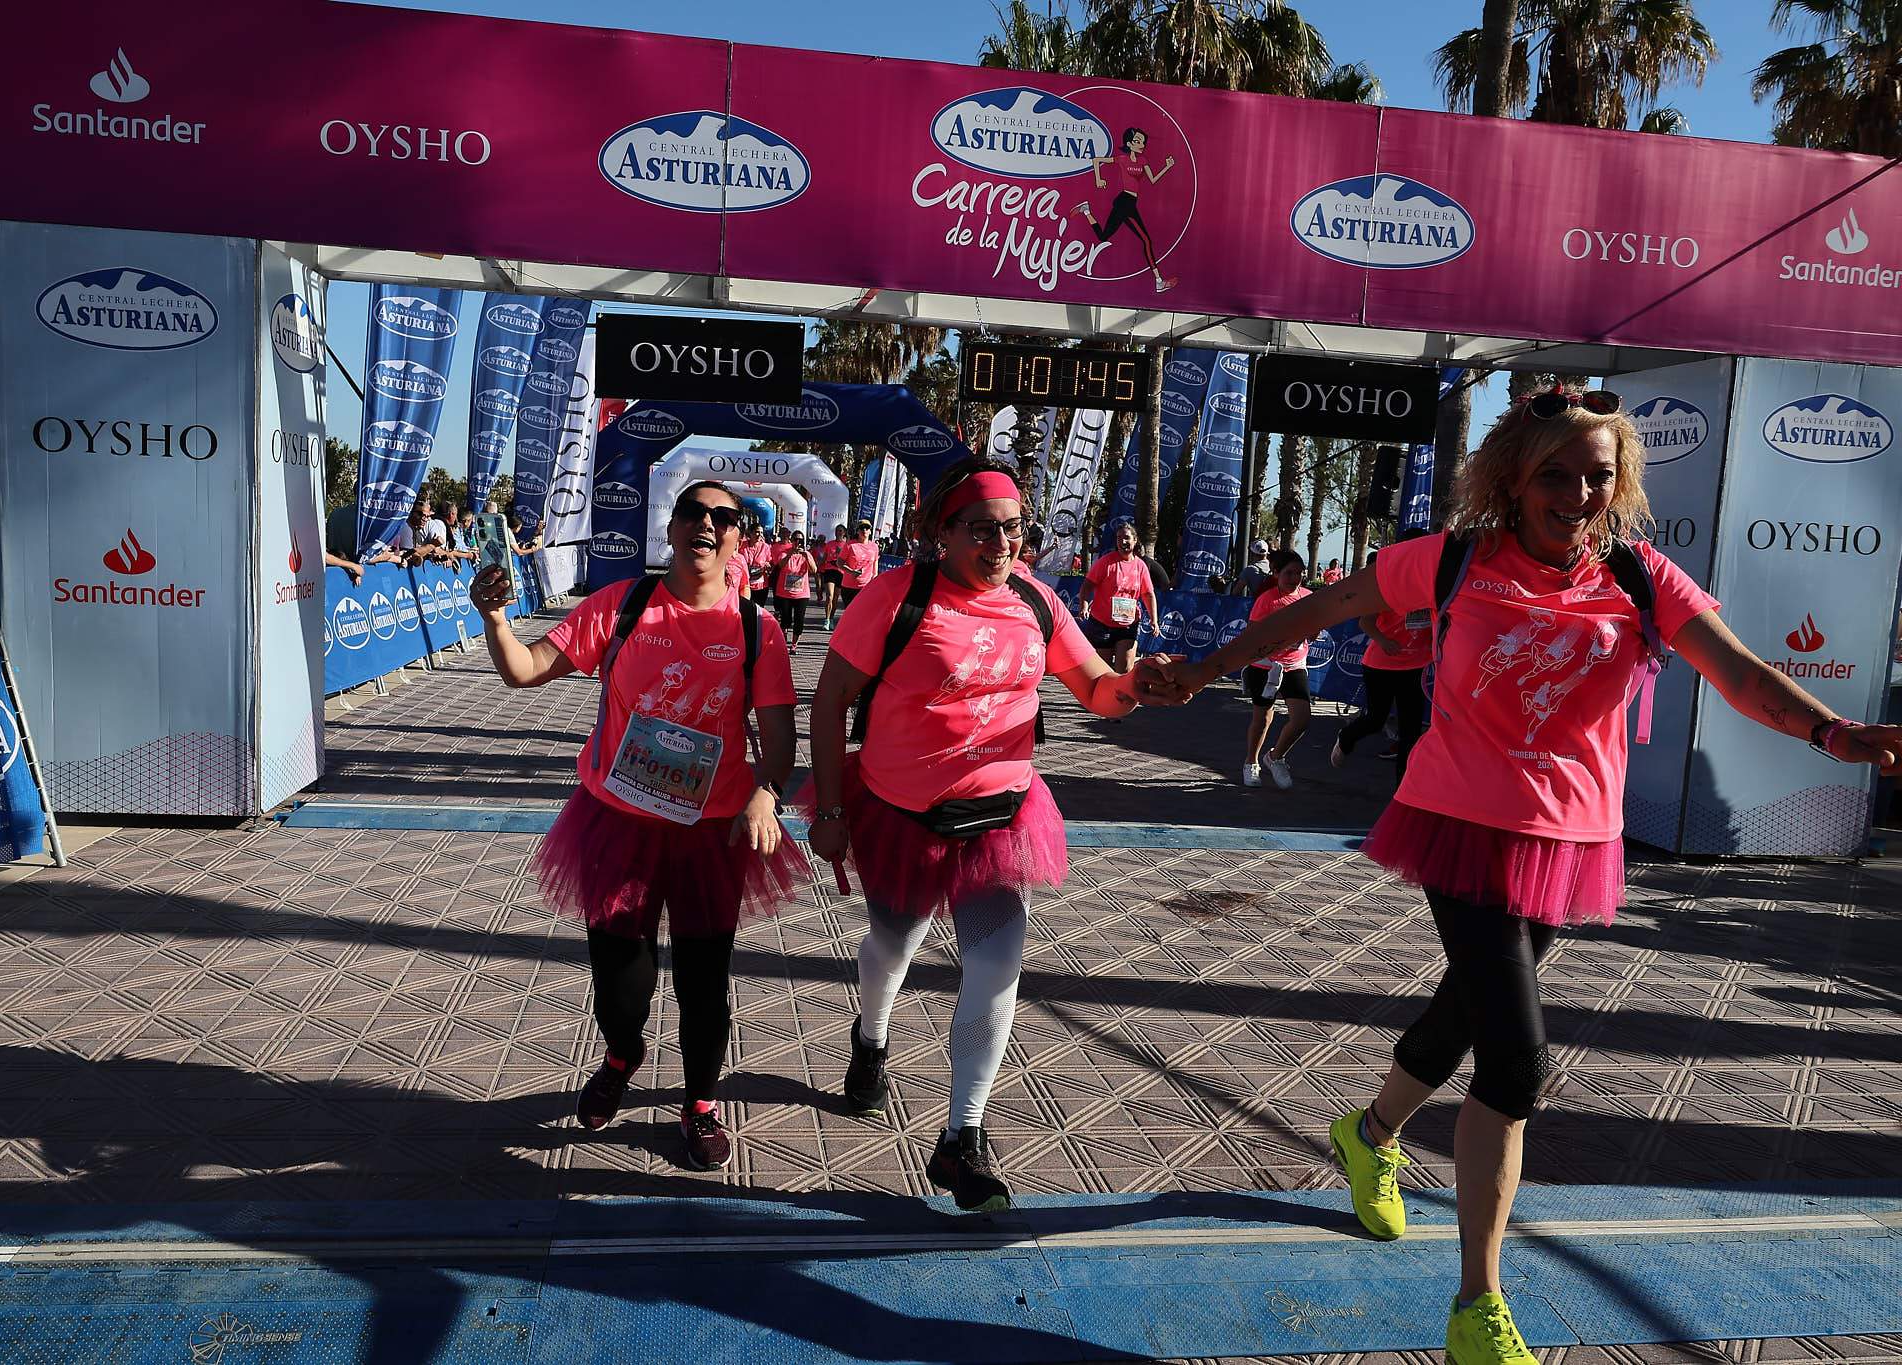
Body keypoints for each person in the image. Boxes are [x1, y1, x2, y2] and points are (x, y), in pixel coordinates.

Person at [1164, 387, 1902, 1365]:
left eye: (1596, 473)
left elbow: (1736, 672)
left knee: (1458, 1019)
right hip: (1459, 824)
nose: (1577, 491)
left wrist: (1830, 730)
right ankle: (1476, 1304)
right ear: (1510, 479)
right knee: (1514, 1063)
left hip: (1570, 839)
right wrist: (1204, 667)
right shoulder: (1456, 558)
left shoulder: (1638, 575)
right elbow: (1322, 607)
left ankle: (1367, 1133)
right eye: (1554, 473)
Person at [806, 456, 1181, 1213]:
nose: (1002, 544)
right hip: (900, 817)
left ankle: (962, 1137)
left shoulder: (1039, 603)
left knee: (997, 967)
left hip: (998, 821)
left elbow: (1098, 693)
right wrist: (833, 810)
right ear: (942, 533)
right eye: (983, 530)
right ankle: (871, 1040)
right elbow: (829, 699)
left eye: (1014, 529)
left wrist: (1137, 684)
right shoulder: (894, 597)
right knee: (893, 947)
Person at [469, 480, 808, 1171]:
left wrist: (768, 792)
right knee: (620, 983)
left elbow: (779, 737)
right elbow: (526, 671)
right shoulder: (622, 606)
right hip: (618, 823)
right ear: (673, 526)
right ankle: (623, 1053)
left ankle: (701, 1101)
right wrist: (496, 618)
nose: (707, 525)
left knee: (704, 985)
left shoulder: (756, 628)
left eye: (725, 518)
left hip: (711, 832)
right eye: (694, 512)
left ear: (740, 539)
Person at [1332, 528, 1433, 776]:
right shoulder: (1389, 582)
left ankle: (1402, 790)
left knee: (1410, 730)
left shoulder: (1431, 582)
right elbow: (1365, 622)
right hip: (1381, 666)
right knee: (1376, 720)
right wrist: (1384, 641)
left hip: (1415, 665)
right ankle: (1347, 736)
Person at [1236, 549, 1313, 790]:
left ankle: (1275, 757)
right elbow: (1252, 634)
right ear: (1276, 573)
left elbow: (1315, 627)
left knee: (1301, 719)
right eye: (1289, 573)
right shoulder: (1267, 600)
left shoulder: (1309, 597)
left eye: (1299, 573)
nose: (1294, 578)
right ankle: (1251, 762)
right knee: (1262, 719)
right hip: (1266, 667)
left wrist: (1313, 632)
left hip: (1294, 665)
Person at [1074, 127, 1178, 294]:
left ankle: (1086, 210)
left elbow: (1153, 180)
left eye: (1143, 142)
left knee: (1103, 237)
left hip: (1129, 203)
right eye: (1137, 141)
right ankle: (1159, 281)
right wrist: (1098, 179)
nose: (1141, 144)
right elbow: (1096, 160)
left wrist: (1167, 167)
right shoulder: (1122, 159)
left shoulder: (1143, 161)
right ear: (1129, 144)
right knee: (1146, 240)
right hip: (1125, 202)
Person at [1077, 522, 1159, 674]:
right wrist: (1084, 605)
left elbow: (1148, 594)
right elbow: (1087, 585)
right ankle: (1105, 697)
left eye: (1127, 538)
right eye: (1119, 538)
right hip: (1102, 624)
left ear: (1135, 541)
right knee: (1104, 671)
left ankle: (1123, 697)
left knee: (1126, 669)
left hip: (1128, 624)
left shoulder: (1140, 566)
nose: (1123, 542)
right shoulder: (1106, 562)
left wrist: (1154, 619)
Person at [772, 531, 816, 651]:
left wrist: (807, 556)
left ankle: (794, 645)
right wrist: (790, 553)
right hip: (785, 593)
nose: (798, 542)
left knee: (799, 620)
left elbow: (814, 570)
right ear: (791, 541)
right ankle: (784, 635)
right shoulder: (784, 553)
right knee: (786, 618)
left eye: (800, 540)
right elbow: (780, 565)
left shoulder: (806, 554)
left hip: (801, 594)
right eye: (795, 540)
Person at [836, 521, 880, 610]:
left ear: (870, 531)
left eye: (867, 528)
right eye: (861, 528)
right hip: (849, 587)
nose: (864, 530)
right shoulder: (850, 545)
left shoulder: (874, 546)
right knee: (851, 614)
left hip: (865, 587)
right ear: (857, 531)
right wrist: (851, 571)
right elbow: (839, 563)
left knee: (863, 614)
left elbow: (875, 565)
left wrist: (874, 581)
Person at [819, 523, 849, 628]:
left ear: (844, 533)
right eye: (837, 530)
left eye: (840, 531)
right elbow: (824, 557)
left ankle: (831, 618)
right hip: (829, 571)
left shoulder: (847, 545)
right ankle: (826, 620)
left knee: (836, 597)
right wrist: (818, 566)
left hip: (841, 572)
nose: (838, 532)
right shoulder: (829, 544)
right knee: (829, 596)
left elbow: (849, 560)